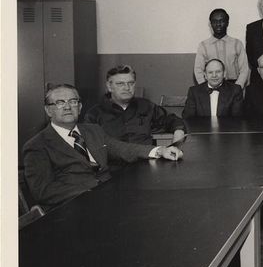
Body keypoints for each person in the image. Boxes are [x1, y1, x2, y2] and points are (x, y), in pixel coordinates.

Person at [22, 84, 183, 208]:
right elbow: (44, 192)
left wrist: (160, 150)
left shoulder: (93, 130)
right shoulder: (37, 146)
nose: (67, 107)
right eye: (59, 102)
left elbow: (122, 148)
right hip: (72, 207)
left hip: (110, 199)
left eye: (73, 101)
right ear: (48, 110)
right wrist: (93, 190)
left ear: (80, 107)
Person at [84, 65, 186, 145]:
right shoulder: (94, 114)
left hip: (146, 163)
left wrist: (178, 133)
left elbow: (173, 120)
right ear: (109, 87)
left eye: (130, 83)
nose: (127, 88)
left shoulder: (146, 106)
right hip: (113, 167)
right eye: (120, 84)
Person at [193, 8, 249, 89]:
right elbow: (198, 70)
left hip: (233, 85)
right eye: (214, 21)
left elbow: (244, 69)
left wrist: (238, 87)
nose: (218, 24)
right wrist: (205, 88)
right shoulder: (203, 46)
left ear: (227, 23)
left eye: (221, 21)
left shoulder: (237, 44)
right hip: (211, 86)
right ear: (210, 24)